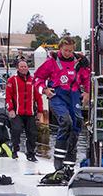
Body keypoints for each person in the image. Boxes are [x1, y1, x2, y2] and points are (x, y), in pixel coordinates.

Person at [33, 36, 90, 170]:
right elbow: (37, 78)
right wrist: (44, 90)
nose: (68, 53)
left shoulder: (79, 62)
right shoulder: (51, 62)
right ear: (60, 48)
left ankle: (70, 163)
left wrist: (87, 92)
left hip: (74, 96)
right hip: (57, 96)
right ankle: (58, 160)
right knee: (66, 121)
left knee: (76, 125)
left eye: (70, 51)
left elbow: (86, 78)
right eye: (65, 50)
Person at [5, 58, 42, 161]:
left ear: (28, 68)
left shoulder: (33, 80)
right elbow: (8, 97)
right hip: (17, 112)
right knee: (16, 130)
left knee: (32, 134)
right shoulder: (12, 80)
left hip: (30, 112)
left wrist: (40, 111)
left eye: (25, 66)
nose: (23, 68)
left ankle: (31, 154)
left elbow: (38, 97)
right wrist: (11, 109)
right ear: (18, 68)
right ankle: (15, 150)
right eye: (21, 66)